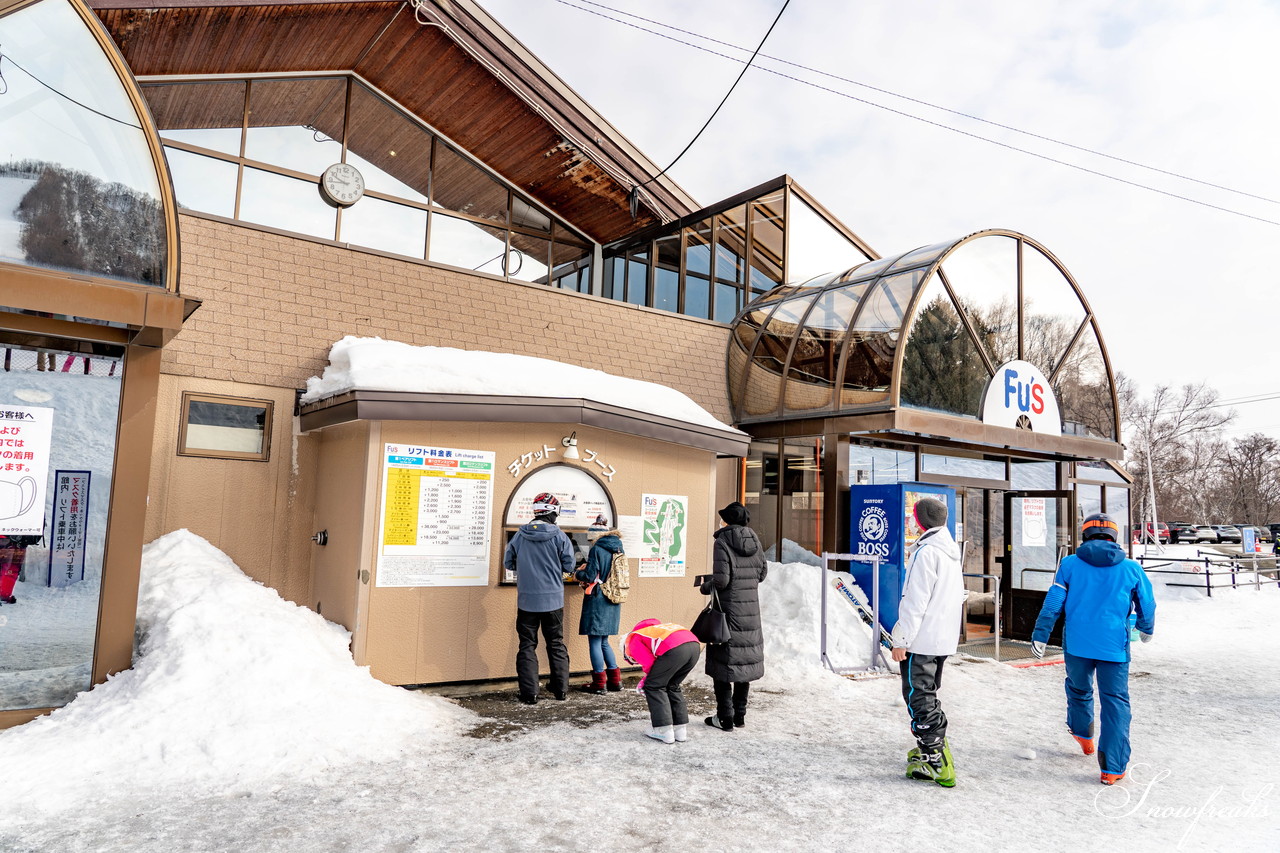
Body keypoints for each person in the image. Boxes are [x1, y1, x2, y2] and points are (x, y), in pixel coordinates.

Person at [1031, 512, 1156, 786]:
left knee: (1078, 689)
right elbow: (1147, 603)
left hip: (1077, 644)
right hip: (1114, 646)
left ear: (1084, 535)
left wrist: (1041, 633)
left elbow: (1054, 603)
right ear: (1114, 536)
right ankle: (1112, 768)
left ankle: (1083, 736)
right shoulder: (1131, 568)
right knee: (1115, 702)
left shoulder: (1069, 564)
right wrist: (1147, 628)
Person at [891, 497, 963, 788]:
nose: (911, 521)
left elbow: (914, 602)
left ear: (920, 521)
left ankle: (936, 760)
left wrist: (901, 639)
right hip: (941, 639)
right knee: (928, 694)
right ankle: (931, 748)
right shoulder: (949, 551)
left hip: (921, 641)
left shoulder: (926, 553)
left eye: (913, 516)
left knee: (919, 698)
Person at [699, 501, 767, 732]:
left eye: (722, 519)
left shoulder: (723, 541)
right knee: (742, 666)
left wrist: (706, 585)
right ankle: (739, 716)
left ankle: (724, 718)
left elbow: (722, 581)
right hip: (750, 614)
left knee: (724, 666)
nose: (720, 522)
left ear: (727, 520)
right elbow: (762, 573)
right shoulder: (754, 539)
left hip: (728, 613)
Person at [503, 492, 575, 705]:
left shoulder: (519, 535)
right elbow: (569, 566)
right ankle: (560, 690)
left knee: (527, 644)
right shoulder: (560, 536)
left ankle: (529, 693)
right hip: (554, 601)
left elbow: (509, 563)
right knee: (556, 643)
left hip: (526, 601)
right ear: (553, 512)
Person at [621, 618, 701, 744]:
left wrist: (647, 680)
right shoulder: (655, 630)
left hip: (675, 648)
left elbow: (649, 663)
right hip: (694, 645)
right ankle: (680, 730)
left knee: (654, 686)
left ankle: (663, 731)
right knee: (672, 685)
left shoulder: (633, 639)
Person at [574, 514, 624, 694]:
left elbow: (589, 576)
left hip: (598, 598)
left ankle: (598, 683)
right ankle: (615, 681)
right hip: (613, 597)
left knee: (595, 641)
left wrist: (577, 573)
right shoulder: (618, 548)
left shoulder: (597, 549)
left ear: (595, 536)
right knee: (604, 641)